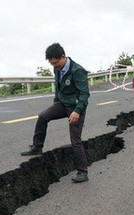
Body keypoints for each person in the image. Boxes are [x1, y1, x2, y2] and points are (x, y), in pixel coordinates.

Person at [21, 43, 90, 183]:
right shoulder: (57, 69)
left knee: (75, 140)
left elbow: (84, 95)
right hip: (63, 103)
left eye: (56, 62)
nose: (54, 66)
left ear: (63, 56)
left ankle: (82, 172)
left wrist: (77, 112)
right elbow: (58, 88)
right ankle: (37, 147)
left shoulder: (77, 71)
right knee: (42, 117)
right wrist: (55, 104)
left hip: (76, 107)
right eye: (51, 63)